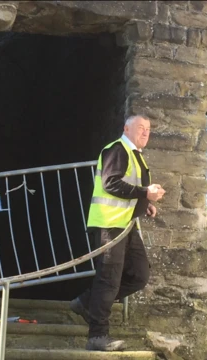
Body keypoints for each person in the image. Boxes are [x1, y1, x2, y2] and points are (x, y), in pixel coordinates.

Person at [70, 115, 166, 351]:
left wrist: (146, 204)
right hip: (109, 225)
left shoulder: (136, 156)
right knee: (109, 279)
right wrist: (145, 192)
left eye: (148, 129)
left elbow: (132, 190)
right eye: (140, 128)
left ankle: (86, 303)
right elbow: (111, 183)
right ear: (126, 128)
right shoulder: (117, 149)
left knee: (140, 275)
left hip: (126, 226)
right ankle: (97, 336)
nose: (145, 133)